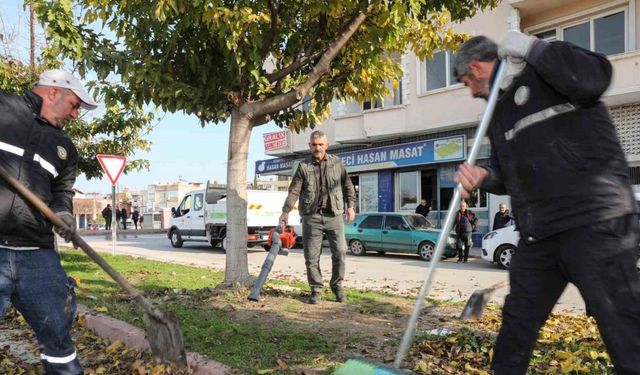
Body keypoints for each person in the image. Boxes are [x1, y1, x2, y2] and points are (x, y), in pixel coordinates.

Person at [453, 31, 640, 374]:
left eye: (467, 82)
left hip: (595, 222)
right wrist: (483, 176)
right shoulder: (498, 112)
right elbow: (505, 172)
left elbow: (596, 77)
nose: (471, 91)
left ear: (477, 67)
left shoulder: (544, 67)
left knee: (623, 326)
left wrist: (534, 48)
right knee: (516, 325)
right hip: (539, 234)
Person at [0, 69, 97, 374]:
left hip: (38, 256)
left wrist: (65, 215)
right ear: (53, 92)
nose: (75, 114)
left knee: (58, 335)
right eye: (74, 105)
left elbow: (62, 193)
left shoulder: (66, 148)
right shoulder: (4, 107)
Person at [280, 130, 356, 304]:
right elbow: (294, 191)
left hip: (334, 216)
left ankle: (337, 286)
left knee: (340, 252)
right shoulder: (303, 166)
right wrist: (285, 211)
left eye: (321, 144)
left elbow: (348, 186)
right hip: (311, 217)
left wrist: (350, 206)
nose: (317, 148)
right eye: (314, 145)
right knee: (311, 257)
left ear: (326, 145)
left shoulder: (337, 163)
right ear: (309, 145)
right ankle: (316, 290)